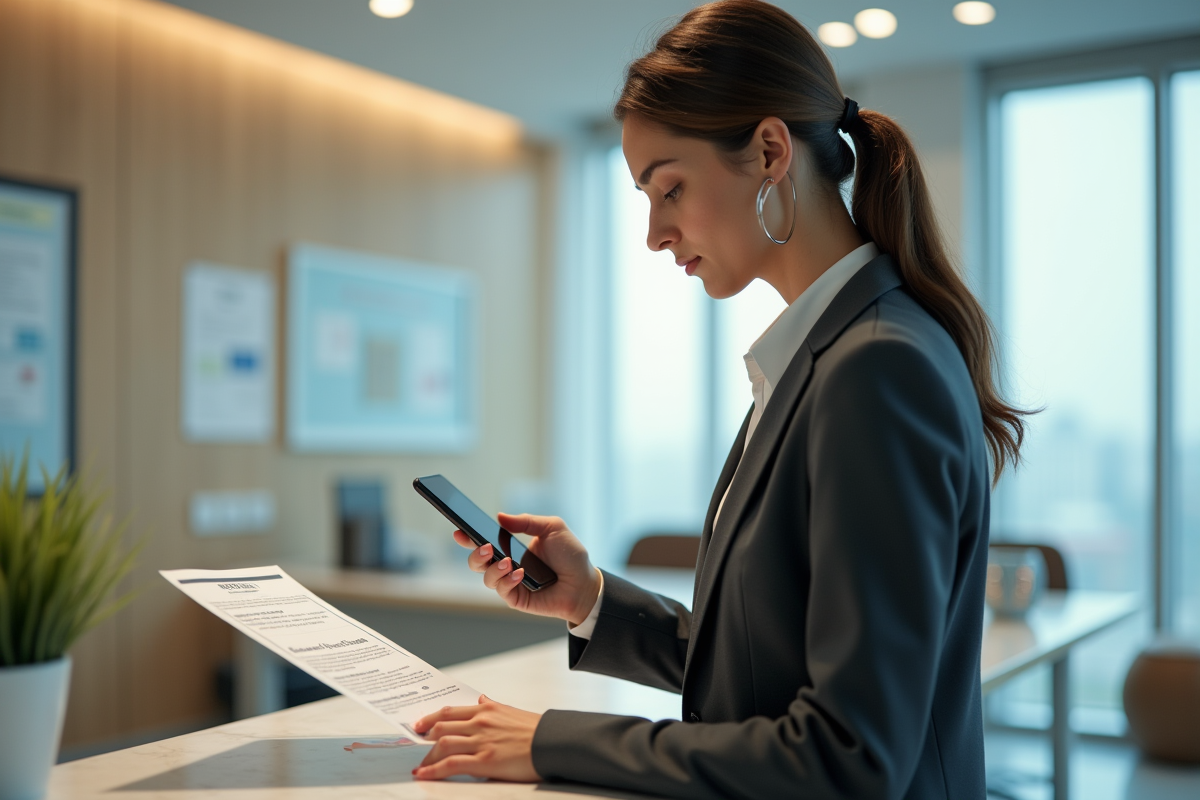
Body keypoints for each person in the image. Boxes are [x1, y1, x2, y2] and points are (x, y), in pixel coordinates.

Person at [410, 1, 1028, 797]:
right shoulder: (826, 355)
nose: (653, 234)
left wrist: (551, 740)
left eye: (669, 189)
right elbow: (765, 665)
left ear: (771, 151)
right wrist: (591, 600)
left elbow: (848, 756)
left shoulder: (876, 370)